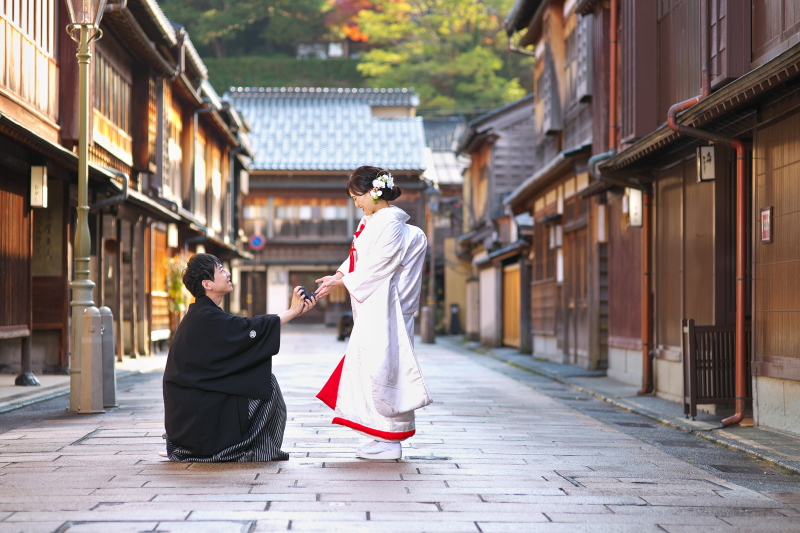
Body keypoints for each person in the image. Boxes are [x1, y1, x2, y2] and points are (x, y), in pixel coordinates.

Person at [314, 166, 432, 460]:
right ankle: (376, 435)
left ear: (373, 192)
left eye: (357, 196)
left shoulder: (389, 223)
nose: (355, 203)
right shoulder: (373, 220)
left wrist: (342, 281)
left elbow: (381, 264)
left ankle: (390, 439)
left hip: (386, 310)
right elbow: (357, 258)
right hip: (374, 308)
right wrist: (338, 276)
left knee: (383, 367)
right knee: (369, 368)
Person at [162, 253, 317, 462]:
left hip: (192, 413)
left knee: (258, 379)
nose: (227, 274)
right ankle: (250, 447)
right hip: (197, 422)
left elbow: (240, 334)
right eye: (220, 270)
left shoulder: (203, 314)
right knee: (265, 385)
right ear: (207, 284)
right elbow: (246, 330)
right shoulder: (205, 316)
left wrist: (293, 312)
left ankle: (250, 445)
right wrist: (292, 312)